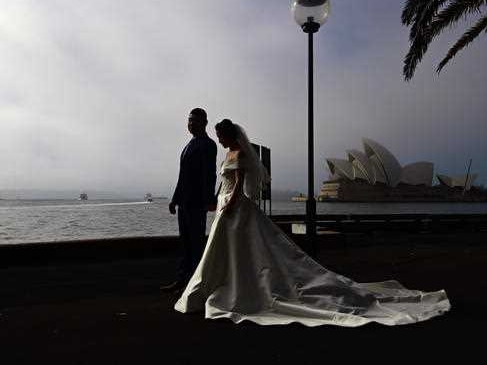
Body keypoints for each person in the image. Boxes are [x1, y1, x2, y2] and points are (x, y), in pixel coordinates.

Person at [174, 119, 450, 326]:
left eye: (221, 135)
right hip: (223, 204)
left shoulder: (242, 154)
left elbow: (239, 185)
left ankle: (241, 288)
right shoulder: (226, 154)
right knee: (227, 250)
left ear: (229, 134)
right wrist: (217, 200)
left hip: (234, 205)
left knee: (246, 249)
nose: (219, 139)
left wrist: (231, 202)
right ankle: (223, 284)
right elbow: (223, 181)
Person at [161, 108, 218, 293]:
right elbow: (182, 176)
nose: (190, 124)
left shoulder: (208, 145)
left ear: (204, 123)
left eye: (194, 121)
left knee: (196, 244)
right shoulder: (190, 144)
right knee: (185, 243)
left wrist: (209, 200)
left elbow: (209, 175)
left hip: (196, 203)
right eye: (189, 121)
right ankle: (181, 279)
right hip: (184, 202)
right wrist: (174, 199)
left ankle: (194, 284)